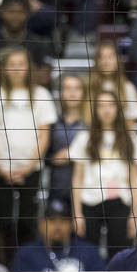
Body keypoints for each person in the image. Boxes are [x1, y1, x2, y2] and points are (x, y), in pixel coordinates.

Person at [0, 46, 56, 258]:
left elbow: (44, 136)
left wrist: (28, 167)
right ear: (5, 68)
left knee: (27, 221)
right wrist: (0, 166)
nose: (16, 69)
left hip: (31, 170)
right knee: (2, 220)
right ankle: (4, 263)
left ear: (29, 67)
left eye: (20, 64)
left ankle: (25, 263)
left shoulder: (41, 94)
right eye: (12, 65)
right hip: (1, 169)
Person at [70, 90, 137, 259]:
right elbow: (77, 179)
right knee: (87, 256)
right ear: (95, 110)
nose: (106, 110)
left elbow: (134, 181)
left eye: (110, 105)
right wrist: (77, 214)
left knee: (120, 257)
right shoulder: (84, 138)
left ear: (118, 109)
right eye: (101, 106)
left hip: (119, 202)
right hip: (90, 201)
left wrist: (135, 214)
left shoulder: (129, 139)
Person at [0, 0, 53, 89]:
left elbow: (45, 77)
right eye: (11, 11)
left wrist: (0, 69)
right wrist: (28, 70)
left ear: (28, 13)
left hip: (31, 96)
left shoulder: (39, 43)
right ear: (1, 12)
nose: (15, 16)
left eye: (20, 12)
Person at [48, 74, 90, 205]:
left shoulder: (92, 124)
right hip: (58, 188)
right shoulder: (52, 122)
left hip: (87, 190)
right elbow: (44, 156)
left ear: (84, 93)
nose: (72, 93)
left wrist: (73, 153)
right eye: (67, 88)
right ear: (61, 93)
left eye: (77, 88)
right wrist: (53, 159)